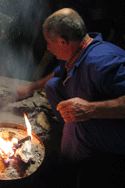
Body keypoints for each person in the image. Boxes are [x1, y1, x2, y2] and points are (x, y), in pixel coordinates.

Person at [11, 8, 125, 187]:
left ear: (63, 42)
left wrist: (90, 110)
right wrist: (30, 88)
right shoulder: (78, 49)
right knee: (52, 86)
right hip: (97, 112)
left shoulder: (102, 62)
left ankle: (70, 168)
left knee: (77, 127)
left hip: (119, 129)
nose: (48, 47)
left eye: (49, 42)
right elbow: (59, 73)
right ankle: (74, 141)